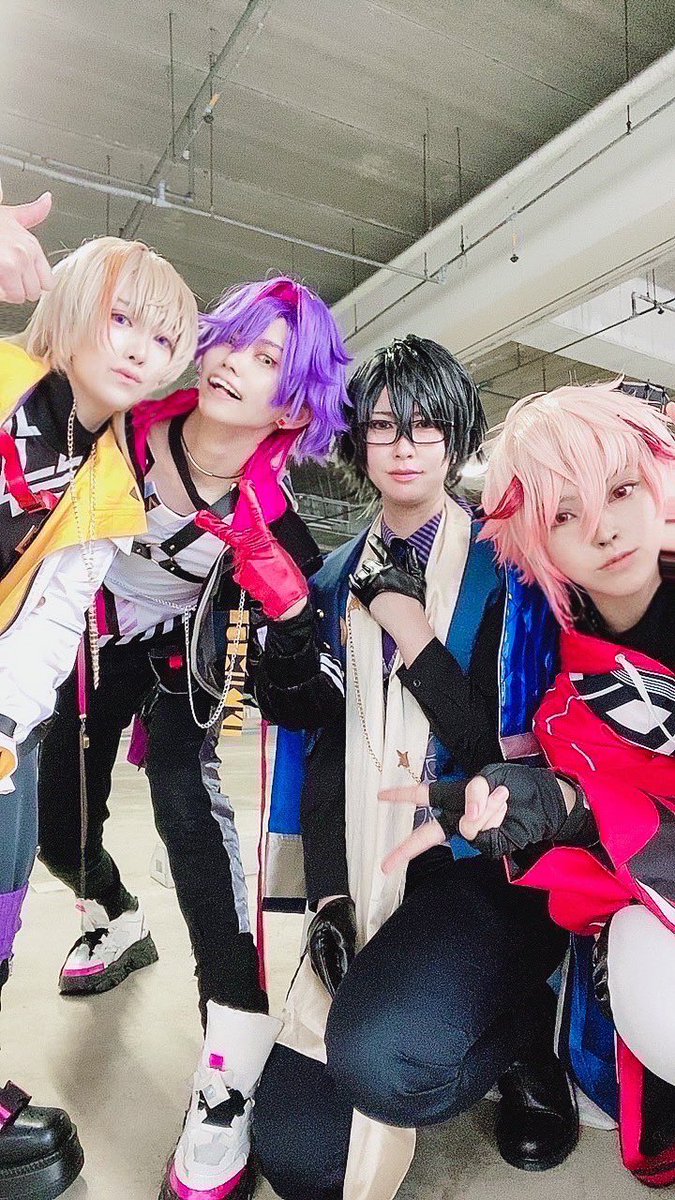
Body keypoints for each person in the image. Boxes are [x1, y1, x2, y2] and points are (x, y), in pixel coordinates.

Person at [34, 275, 351, 1200]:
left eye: (267, 359)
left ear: (292, 406)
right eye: (233, 339)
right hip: (88, 638)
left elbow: (306, 697)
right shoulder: (122, 430)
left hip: (185, 661)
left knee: (184, 803)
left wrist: (290, 619)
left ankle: (231, 1061)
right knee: (57, 835)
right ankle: (116, 913)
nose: (234, 364)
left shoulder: (275, 522)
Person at [251, 335, 576, 1200]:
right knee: (300, 1156)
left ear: (457, 437)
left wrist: (417, 640)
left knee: (385, 1063)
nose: (404, 445)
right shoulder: (329, 580)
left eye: (427, 425)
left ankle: (522, 1035)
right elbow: (322, 753)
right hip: (370, 860)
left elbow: (511, 766)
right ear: (358, 439)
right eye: (384, 425)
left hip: (487, 864)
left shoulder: (514, 569)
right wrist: (328, 896)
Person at [385, 382, 675, 1186]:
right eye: (562, 513)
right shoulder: (564, 694)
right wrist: (557, 806)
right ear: (529, 543)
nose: (603, 528)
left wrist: (578, 809)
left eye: (621, 490)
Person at [0, 184, 197, 1199]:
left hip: (13, 715)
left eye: (163, 340)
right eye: (123, 318)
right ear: (72, 304)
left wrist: (5, 722)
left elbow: (55, 617)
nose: (139, 351)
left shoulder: (114, 486)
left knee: (3, 898)